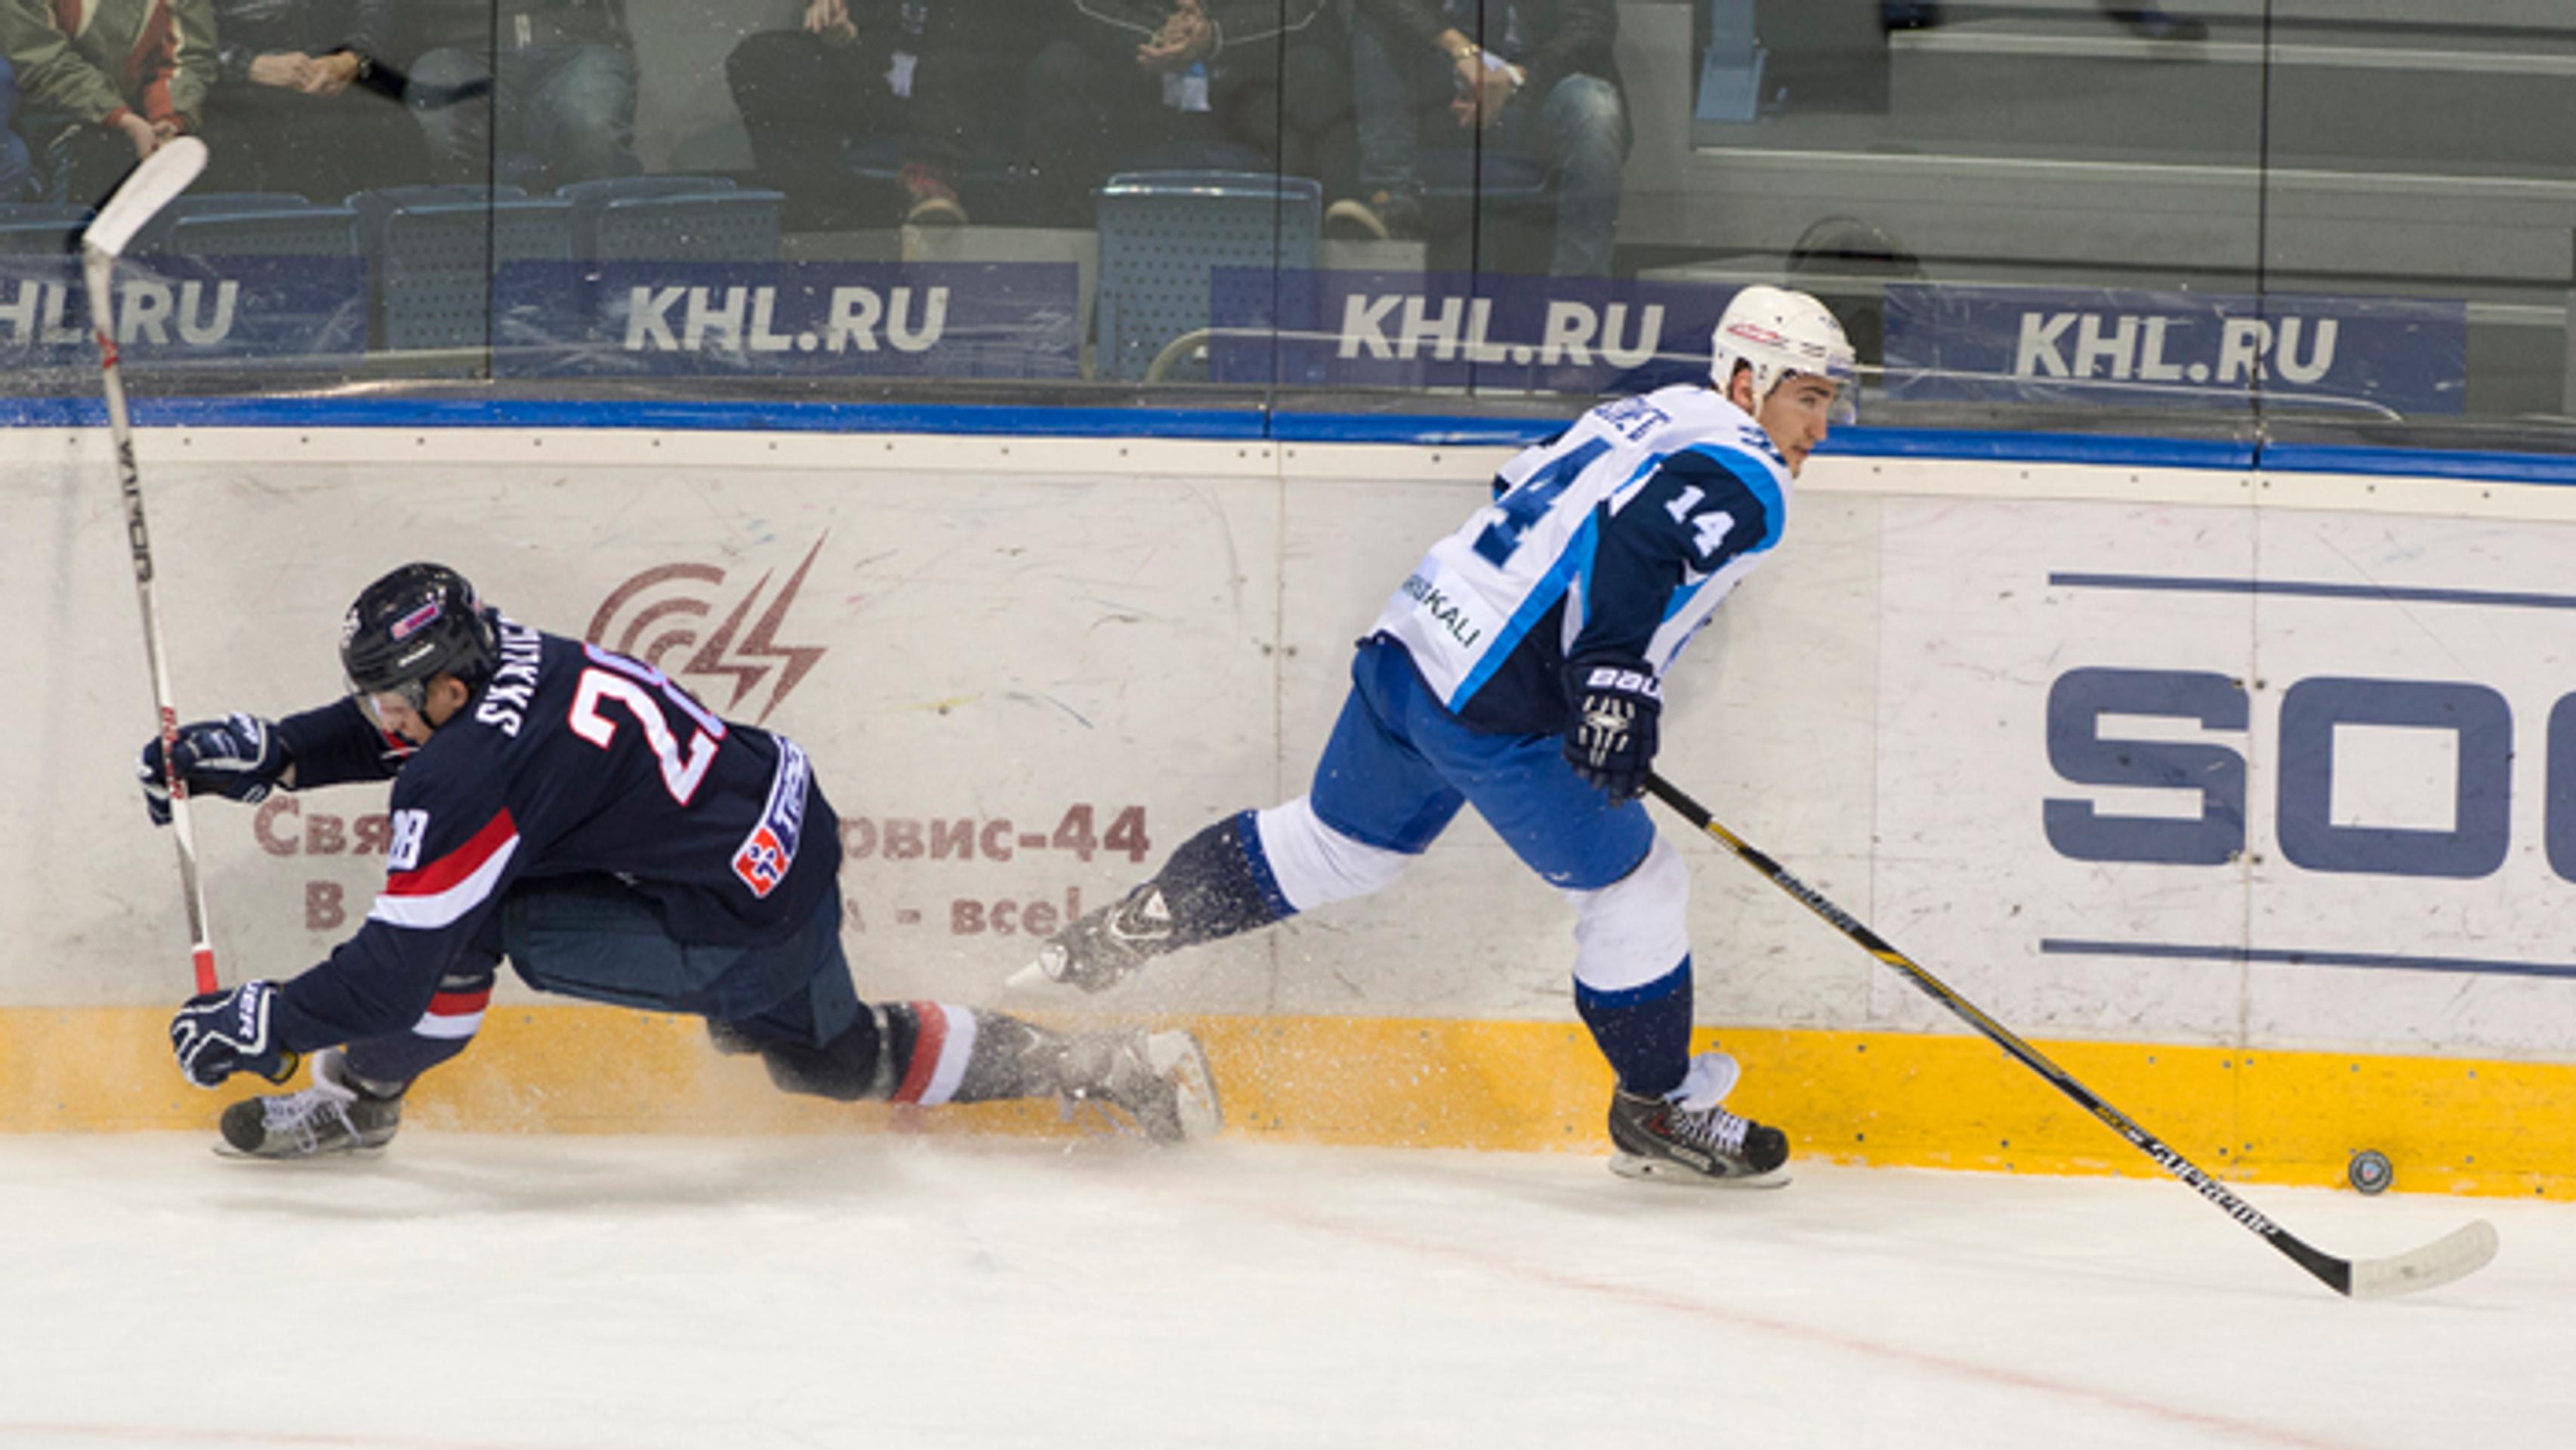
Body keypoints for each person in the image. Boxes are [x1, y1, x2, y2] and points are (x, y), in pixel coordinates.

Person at [1020, 285, 1857, 1186]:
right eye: (1806, 397)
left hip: (1412, 645)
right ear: (1746, 380)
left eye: (1827, 403)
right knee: (1636, 890)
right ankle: (1658, 1108)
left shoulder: (1647, 411)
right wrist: (1612, 678)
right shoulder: (1752, 470)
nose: (1819, 425)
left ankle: (1115, 936)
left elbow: (1525, 480)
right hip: (1493, 705)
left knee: (1336, 848)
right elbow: (1636, 539)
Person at [148, 563, 1220, 1158]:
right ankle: (368, 1094)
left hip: (744, 912)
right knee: (480, 899)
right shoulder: (508, 651)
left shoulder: (466, 768)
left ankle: (1114, 1066)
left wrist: (266, 1022)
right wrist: (279, 752)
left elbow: (392, 970)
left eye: (391, 702)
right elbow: (476, 746)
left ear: (450, 686)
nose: (379, 720)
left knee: (820, 1054)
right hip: (774, 821)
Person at [1328, 0, 1627, 276]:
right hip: (1445, 79)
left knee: (1596, 110)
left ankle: (1578, 298)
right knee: (1373, 23)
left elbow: (1592, 23)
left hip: (1538, 82)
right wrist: (1459, 48)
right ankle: (1391, 203)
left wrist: (1515, 78)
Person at [725, 0, 1024, 230]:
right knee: (766, 56)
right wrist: (840, 31)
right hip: (867, 82)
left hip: (965, 99)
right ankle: (812, 228)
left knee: (955, 62)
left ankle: (932, 187)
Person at [348, 0, 639, 190]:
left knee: (589, 125)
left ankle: (602, 264)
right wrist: (358, 51)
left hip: (576, 45)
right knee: (444, 120)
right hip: (461, 49)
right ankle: (466, 259)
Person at [202, 0, 427, 199]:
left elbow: (379, 9)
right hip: (226, 96)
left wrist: (352, 59)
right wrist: (249, 65)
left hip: (339, 83)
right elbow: (174, 33)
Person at [0, 0, 214, 205]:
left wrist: (169, 119)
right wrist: (120, 117)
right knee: (89, 157)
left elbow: (189, 57)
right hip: (43, 109)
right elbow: (39, 59)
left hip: (135, 108)